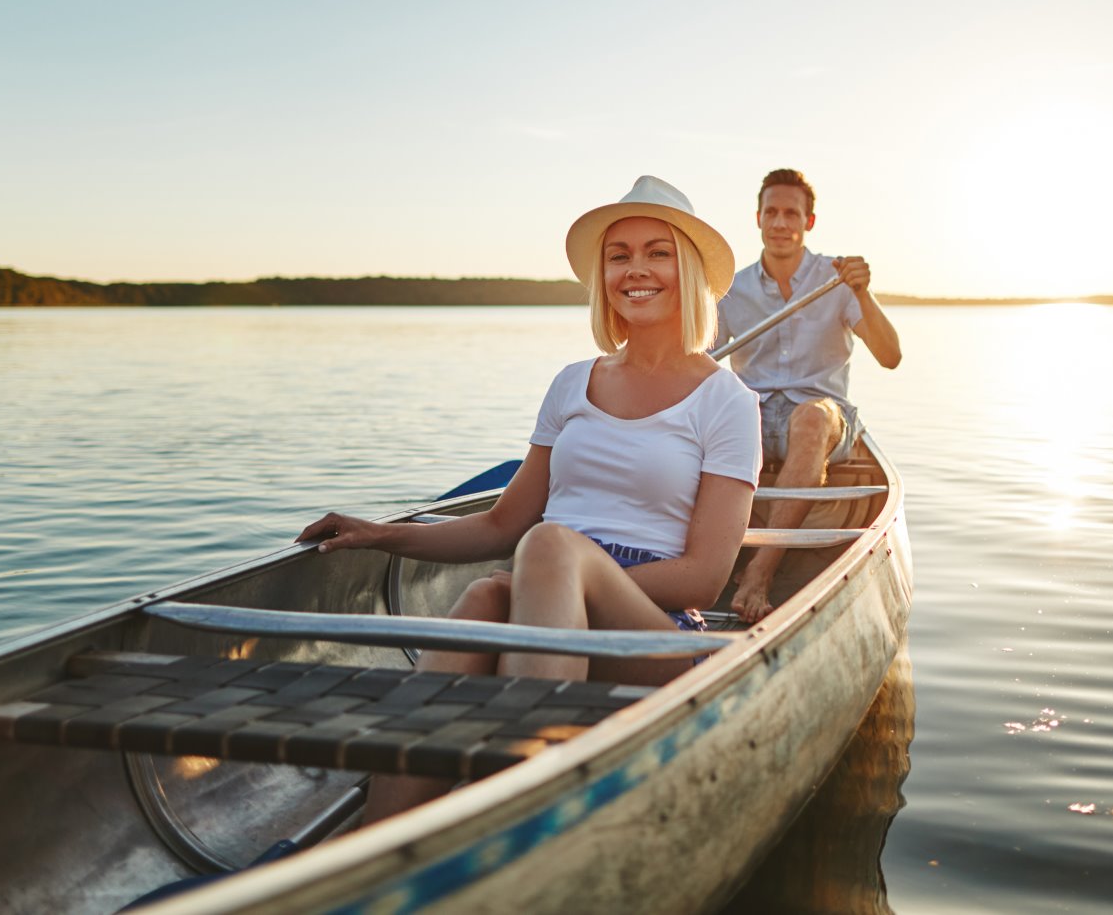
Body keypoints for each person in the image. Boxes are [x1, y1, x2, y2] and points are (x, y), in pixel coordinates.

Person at [296, 175, 759, 820]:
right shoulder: (572, 383)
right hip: (546, 600)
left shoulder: (727, 402)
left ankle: (520, 801)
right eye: (619, 255)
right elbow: (499, 526)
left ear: (685, 269)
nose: (635, 270)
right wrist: (379, 535)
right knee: (489, 590)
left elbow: (705, 579)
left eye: (657, 252)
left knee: (547, 545)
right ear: (603, 278)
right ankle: (371, 840)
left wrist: (569, 577)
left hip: (654, 638)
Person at [716, 169, 901, 623]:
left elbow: (891, 356)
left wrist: (862, 292)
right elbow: (698, 362)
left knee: (810, 417)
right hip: (753, 414)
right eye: (772, 213)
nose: (781, 222)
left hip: (824, 417)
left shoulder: (838, 279)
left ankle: (761, 568)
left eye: (791, 214)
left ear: (809, 222)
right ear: (757, 218)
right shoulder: (729, 289)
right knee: (712, 416)